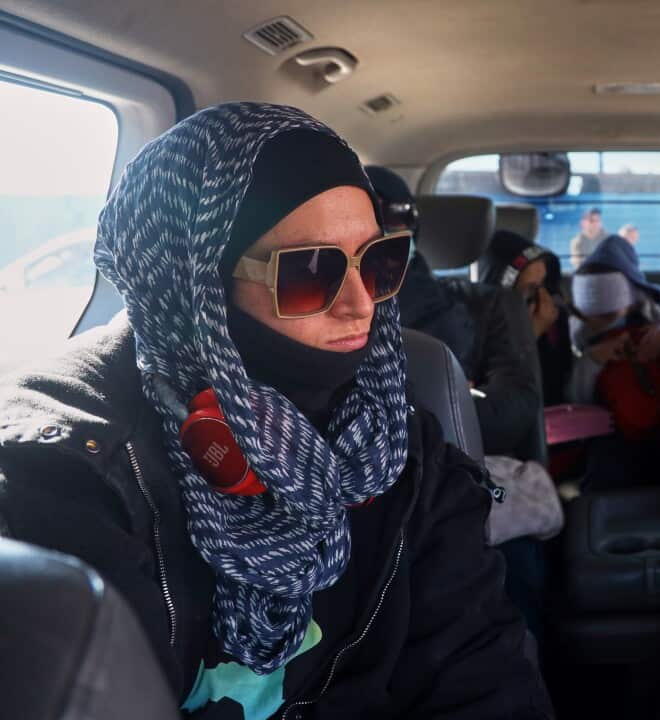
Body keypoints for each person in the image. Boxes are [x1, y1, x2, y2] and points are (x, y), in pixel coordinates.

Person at [0, 104, 553, 720]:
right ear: (197, 281)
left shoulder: (397, 439)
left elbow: (484, 677)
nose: (359, 304)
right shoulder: (68, 468)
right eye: (310, 270)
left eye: (379, 261)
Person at [365, 166, 544, 463]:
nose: (378, 233)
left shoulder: (489, 305)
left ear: (414, 226)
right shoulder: (324, 310)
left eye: (394, 216)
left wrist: (439, 401)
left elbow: (512, 413)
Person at [570, 235, 660, 489]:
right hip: (617, 434)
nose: (603, 323)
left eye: (610, 315)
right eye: (594, 317)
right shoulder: (579, 340)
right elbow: (576, 402)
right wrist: (591, 361)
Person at [477, 229, 574, 406]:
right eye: (529, 291)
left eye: (545, 284)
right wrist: (530, 337)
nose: (544, 300)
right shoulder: (472, 339)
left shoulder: (554, 327)